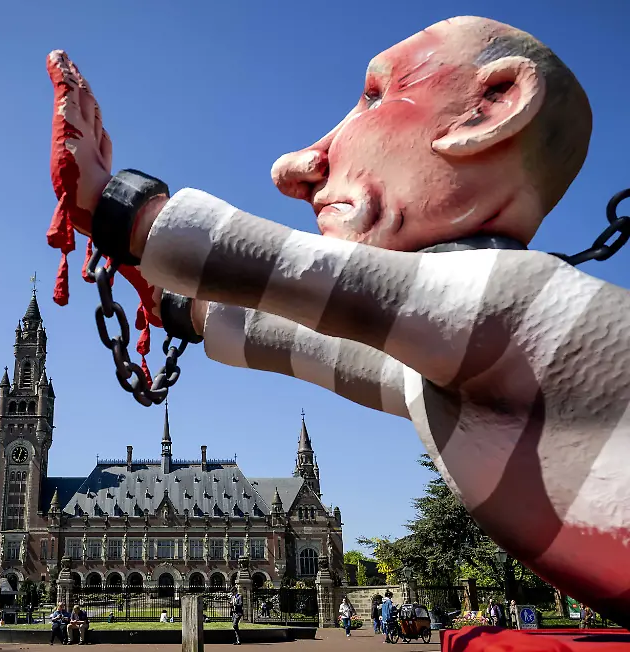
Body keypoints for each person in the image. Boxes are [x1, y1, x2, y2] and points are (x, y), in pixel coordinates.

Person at [45, 15, 630, 628]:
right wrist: (170, 300)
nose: (295, 167)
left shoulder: (514, 301)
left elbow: (302, 275)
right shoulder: (452, 363)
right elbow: (303, 341)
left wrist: (121, 209)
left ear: (493, 105)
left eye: (374, 96)